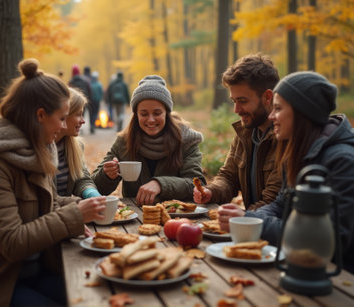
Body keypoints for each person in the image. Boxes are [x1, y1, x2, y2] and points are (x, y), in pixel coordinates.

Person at [0, 58, 107, 306]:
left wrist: (87, 205)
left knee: (96, 293)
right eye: (62, 118)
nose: (64, 126)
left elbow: (48, 203)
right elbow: (13, 241)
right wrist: (75, 215)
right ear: (40, 115)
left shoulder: (36, 150)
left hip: (33, 271)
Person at [219, 71, 354, 286]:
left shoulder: (343, 162)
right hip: (305, 269)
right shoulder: (298, 153)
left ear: (303, 112)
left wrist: (254, 223)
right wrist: (248, 218)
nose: (271, 116)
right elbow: (280, 204)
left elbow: (326, 243)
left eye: (278, 108)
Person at [92, 75, 206, 206]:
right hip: (134, 217)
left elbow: (197, 183)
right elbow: (94, 187)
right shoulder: (124, 142)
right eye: (144, 114)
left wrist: (160, 184)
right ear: (136, 115)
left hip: (178, 215)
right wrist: (106, 175)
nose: (151, 120)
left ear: (166, 113)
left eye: (157, 113)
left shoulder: (186, 141)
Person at [193, 53, 282, 211]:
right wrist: (211, 191)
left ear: (268, 97)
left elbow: (273, 203)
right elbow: (228, 176)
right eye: (234, 101)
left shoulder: (285, 138)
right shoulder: (245, 133)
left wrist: (241, 218)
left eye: (243, 101)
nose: (236, 110)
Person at [55, 87, 101, 198]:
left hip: (64, 212)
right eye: (78, 114)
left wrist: (91, 193)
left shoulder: (75, 145)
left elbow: (81, 179)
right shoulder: (40, 148)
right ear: (64, 115)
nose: (83, 120)